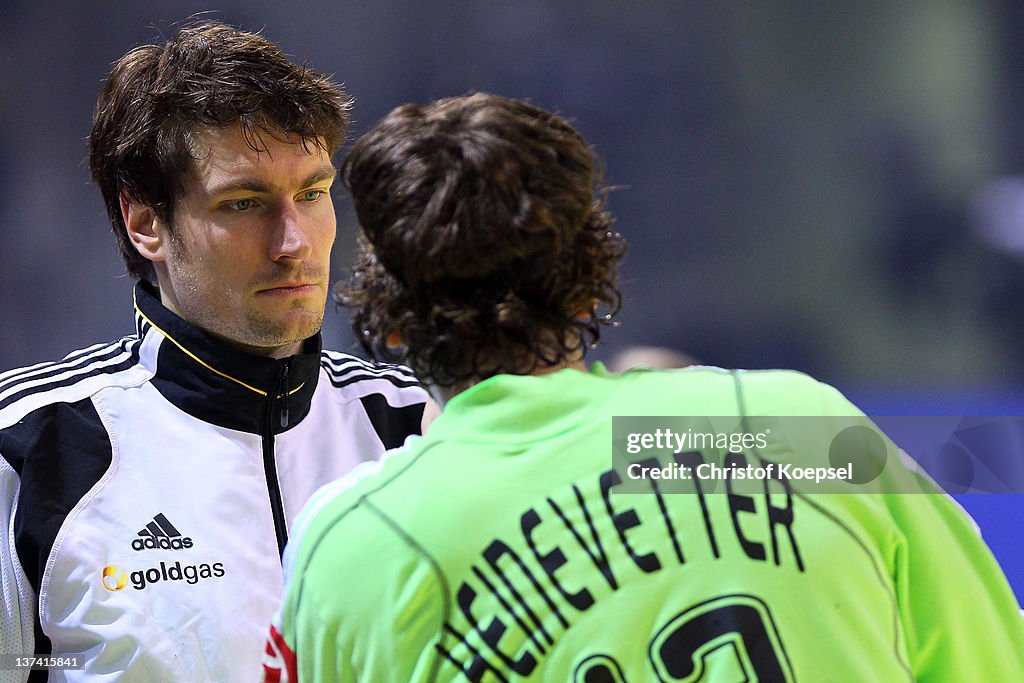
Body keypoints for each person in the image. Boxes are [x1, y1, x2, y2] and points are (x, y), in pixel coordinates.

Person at [263, 92, 1024, 682]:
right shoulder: (796, 424)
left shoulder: (354, 547)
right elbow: (989, 658)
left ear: (389, 317)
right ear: (592, 283)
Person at [0, 21, 428, 683]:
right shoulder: (29, 448)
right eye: (245, 202)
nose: (295, 241)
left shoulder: (416, 424)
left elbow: (636, 463)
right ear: (146, 222)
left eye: (312, 193)